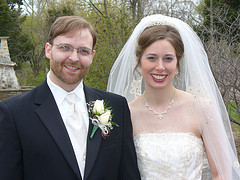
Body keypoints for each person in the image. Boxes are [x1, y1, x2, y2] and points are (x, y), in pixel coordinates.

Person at [0, 16, 140, 180]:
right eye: (65, 48)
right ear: (48, 50)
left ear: (92, 56)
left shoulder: (116, 106)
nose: (74, 58)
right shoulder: (13, 113)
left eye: (83, 51)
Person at [107, 14, 240, 179]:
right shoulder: (126, 113)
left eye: (168, 59)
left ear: (177, 63)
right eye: (152, 58)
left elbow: (222, 173)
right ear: (139, 61)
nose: (160, 67)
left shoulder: (202, 108)